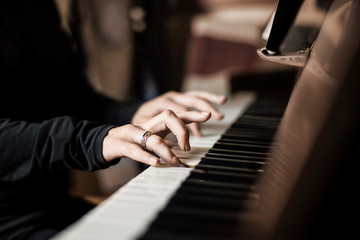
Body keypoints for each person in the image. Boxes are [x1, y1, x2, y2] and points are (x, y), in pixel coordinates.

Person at [0, 1, 226, 239]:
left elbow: (74, 99)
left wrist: (135, 114)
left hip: (51, 204)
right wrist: (91, 140)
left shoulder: (35, 7)